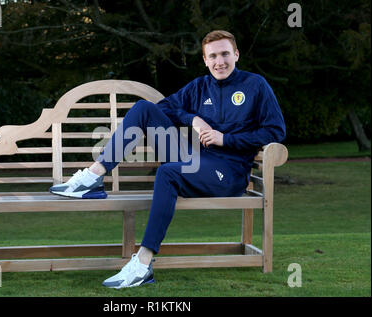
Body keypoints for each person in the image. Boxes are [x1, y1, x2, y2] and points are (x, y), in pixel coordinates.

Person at [49, 30, 286, 289]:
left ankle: (142, 263)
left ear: (236, 54)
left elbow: (275, 131)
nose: (220, 62)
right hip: (196, 161)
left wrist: (225, 139)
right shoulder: (199, 87)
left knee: (168, 172)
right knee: (143, 109)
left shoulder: (255, 85)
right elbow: (163, 108)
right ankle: (94, 177)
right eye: (213, 56)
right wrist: (192, 119)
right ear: (205, 60)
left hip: (228, 173)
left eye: (225, 54)